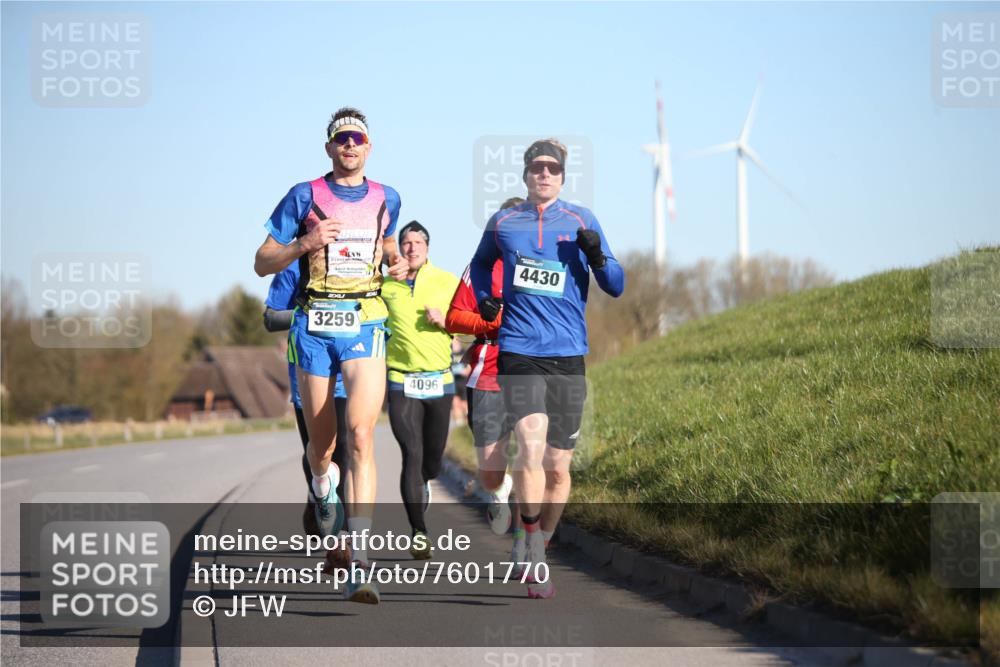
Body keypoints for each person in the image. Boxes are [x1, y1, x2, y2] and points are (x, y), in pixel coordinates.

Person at [254, 107, 408, 604]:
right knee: (322, 450)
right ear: (329, 148)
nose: (350, 146)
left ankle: (360, 561)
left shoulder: (388, 196)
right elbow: (262, 261)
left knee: (361, 436)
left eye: (358, 138)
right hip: (315, 326)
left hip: (365, 321)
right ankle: (322, 485)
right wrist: (305, 242)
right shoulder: (304, 195)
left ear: (369, 147)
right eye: (342, 139)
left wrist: (395, 261)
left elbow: (387, 243)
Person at [469, 140, 624, 599]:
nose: (544, 174)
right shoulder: (504, 222)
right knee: (530, 444)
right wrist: (486, 298)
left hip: (569, 354)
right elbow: (480, 264)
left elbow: (615, 285)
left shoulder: (581, 219)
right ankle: (533, 543)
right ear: (525, 174)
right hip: (519, 350)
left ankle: (539, 541)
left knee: (558, 467)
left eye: (552, 168)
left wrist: (597, 258)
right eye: (536, 167)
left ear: (562, 176)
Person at [263, 263, 353, 569]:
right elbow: (271, 317)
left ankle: (340, 542)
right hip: (306, 373)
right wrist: (310, 312)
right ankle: (318, 493)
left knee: (344, 454)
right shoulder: (293, 267)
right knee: (318, 452)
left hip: (347, 376)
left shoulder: (353, 262)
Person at [446, 196, 522, 555]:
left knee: (532, 458)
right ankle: (498, 489)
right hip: (487, 369)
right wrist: (487, 319)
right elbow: (453, 318)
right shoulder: (480, 267)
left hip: (532, 367)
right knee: (492, 466)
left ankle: (527, 545)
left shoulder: (545, 265)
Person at [382, 221, 460, 559]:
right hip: (401, 379)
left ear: (428, 247)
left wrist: (446, 321)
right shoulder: (385, 286)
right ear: (398, 248)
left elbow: (471, 324)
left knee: (432, 462)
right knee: (411, 452)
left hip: (440, 380)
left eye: (418, 242)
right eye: (406, 242)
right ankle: (419, 532)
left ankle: (427, 480)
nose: (412, 247)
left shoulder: (447, 281)